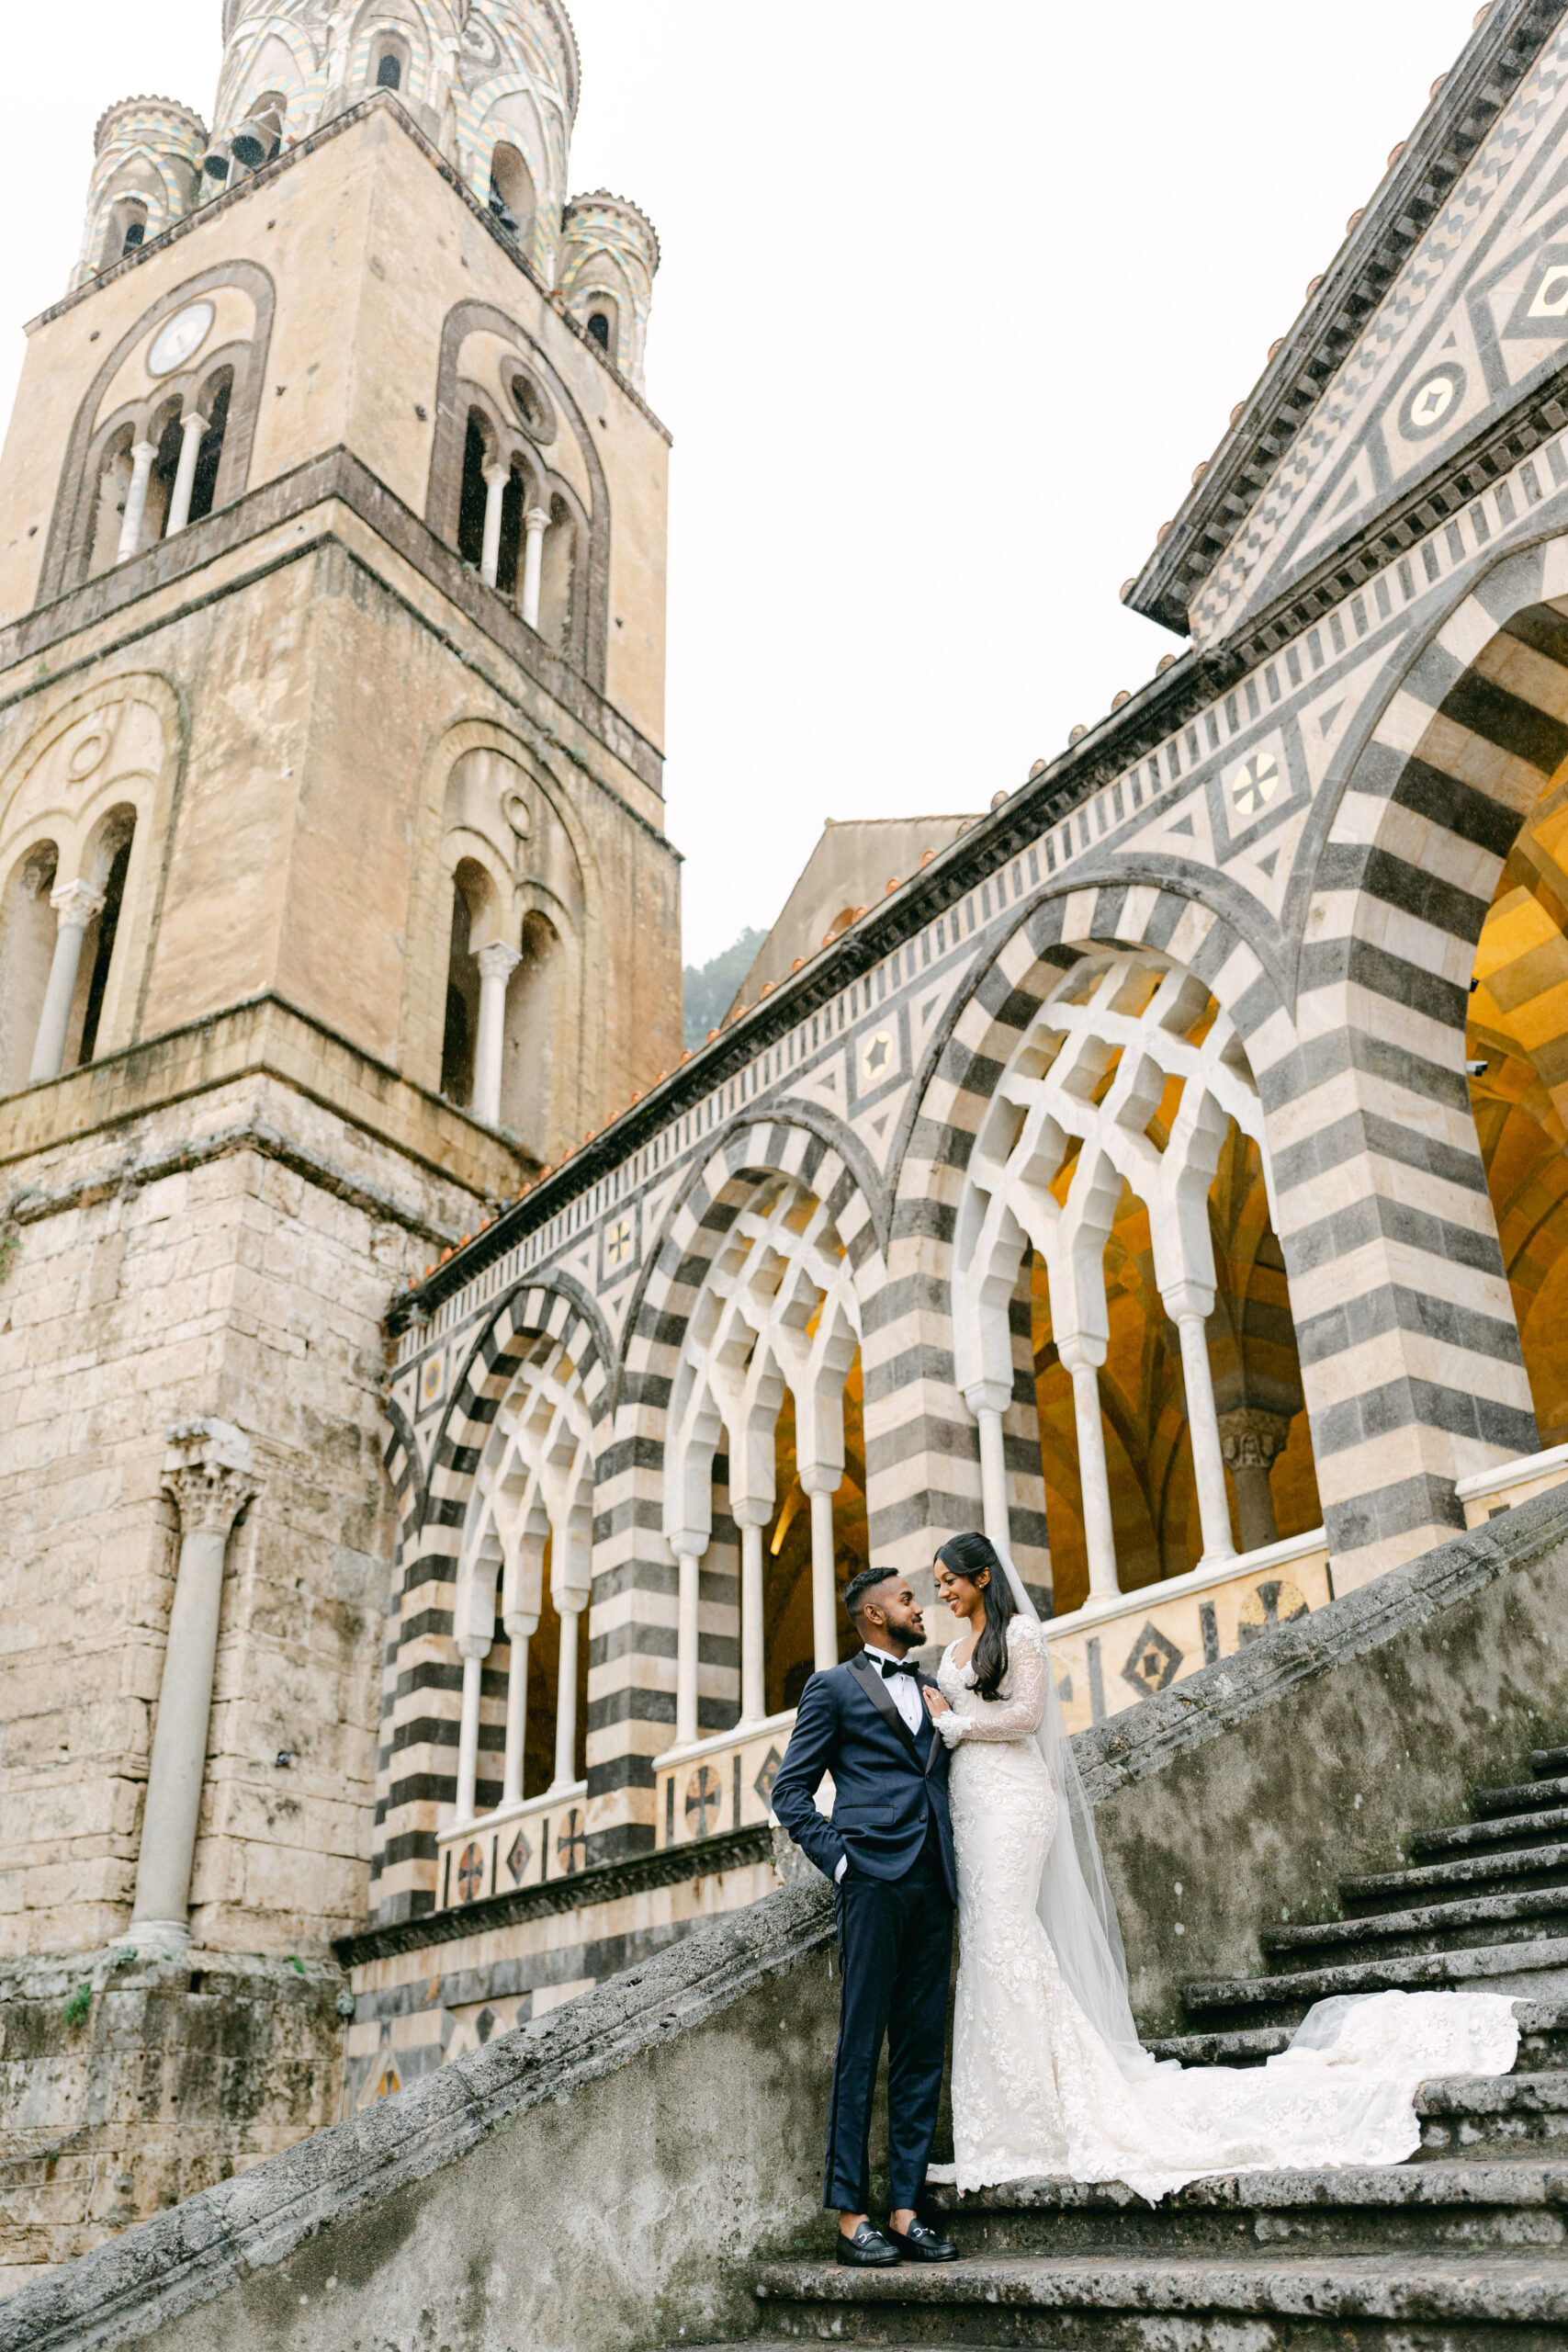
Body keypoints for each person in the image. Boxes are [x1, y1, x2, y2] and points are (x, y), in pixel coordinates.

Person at [922, 1529, 1522, 2202]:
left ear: (980, 1577)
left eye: (948, 1579)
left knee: (1006, 1936)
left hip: (1015, 1800)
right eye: (936, 1581)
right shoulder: (948, 1651)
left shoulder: (1020, 1636)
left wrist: (957, 1725)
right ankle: (1004, 2122)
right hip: (969, 1803)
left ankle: (1045, 2110)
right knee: (986, 1943)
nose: (940, 1591)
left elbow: (1029, 1715)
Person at [769, 1564, 963, 2267]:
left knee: (921, 2047)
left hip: (933, 1879)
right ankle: (852, 2217)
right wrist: (843, 1862)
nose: (921, 1606)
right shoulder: (832, 1688)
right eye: (908, 1599)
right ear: (874, 1615)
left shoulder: (935, 1686)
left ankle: (906, 2209)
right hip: (871, 1880)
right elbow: (790, 1793)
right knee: (860, 2044)